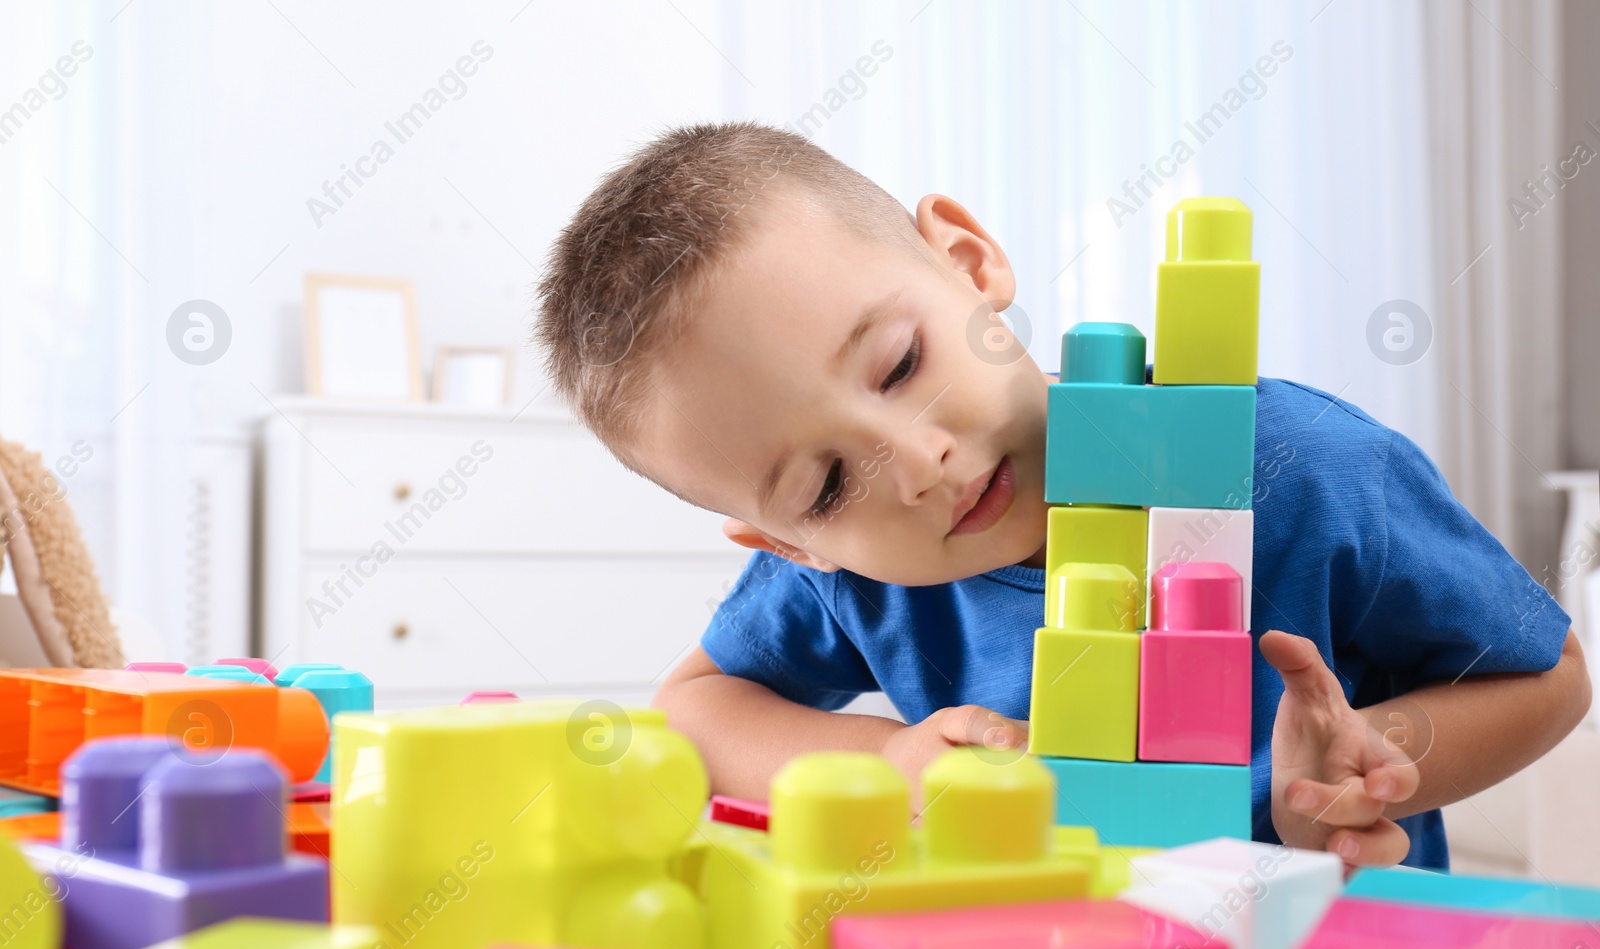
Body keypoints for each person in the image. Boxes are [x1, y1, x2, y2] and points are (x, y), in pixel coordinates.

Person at [534, 122, 1589, 869]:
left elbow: (1552, 674)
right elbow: (693, 702)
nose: (919, 460)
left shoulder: (1302, 462)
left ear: (967, 260)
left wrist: (1379, 753)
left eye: (899, 363)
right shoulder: (846, 572)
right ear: (786, 541)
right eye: (825, 481)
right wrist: (890, 755)